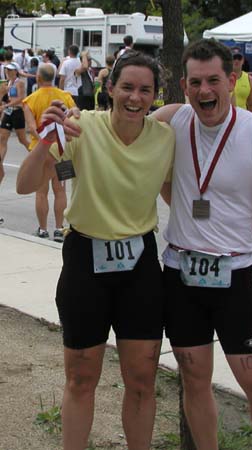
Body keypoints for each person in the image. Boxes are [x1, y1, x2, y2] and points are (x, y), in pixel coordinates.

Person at [16, 51, 175, 450]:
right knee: (81, 377)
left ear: (155, 95)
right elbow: (24, 183)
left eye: (145, 90)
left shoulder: (164, 138)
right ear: (109, 88)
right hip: (86, 259)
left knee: (141, 380)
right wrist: (45, 141)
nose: (135, 97)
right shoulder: (79, 126)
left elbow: (182, 189)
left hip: (139, 264)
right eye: (127, 87)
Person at [153, 39, 252, 450]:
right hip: (180, 275)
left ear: (233, 80)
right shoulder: (172, 120)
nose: (204, 91)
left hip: (235, 279)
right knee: (194, 379)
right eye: (195, 82)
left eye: (214, 80)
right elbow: (121, 126)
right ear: (183, 84)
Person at [22, 63, 76, 241]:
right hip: (63, 150)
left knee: (41, 192)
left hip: (41, 152)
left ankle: (43, 229)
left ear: (37, 77)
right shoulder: (66, 96)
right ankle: (60, 228)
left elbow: (31, 128)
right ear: (53, 77)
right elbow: (74, 120)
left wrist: (45, 140)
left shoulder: (30, 100)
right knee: (60, 190)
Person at [0, 62, 29, 177]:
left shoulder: (19, 82)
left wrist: (6, 106)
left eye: (10, 70)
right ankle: (0, 161)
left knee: (22, 140)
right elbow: (6, 98)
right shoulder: (8, 83)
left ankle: (38, 157)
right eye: (7, 70)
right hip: (8, 113)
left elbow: (22, 98)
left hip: (17, 112)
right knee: (2, 138)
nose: (8, 72)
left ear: (16, 71)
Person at [230, 46, 252, 114]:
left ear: (243, 60)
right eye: (234, 58)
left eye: (239, 58)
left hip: (242, 120)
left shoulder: (249, 79)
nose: (236, 60)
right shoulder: (222, 77)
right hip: (225, 120)